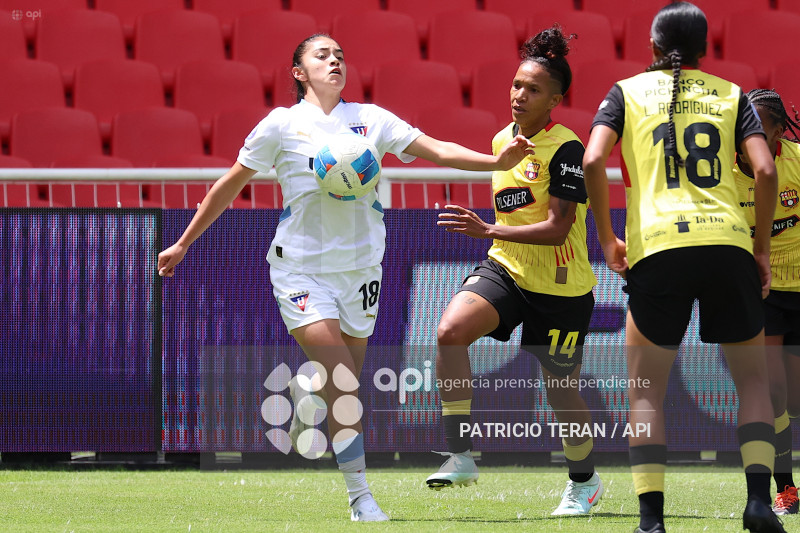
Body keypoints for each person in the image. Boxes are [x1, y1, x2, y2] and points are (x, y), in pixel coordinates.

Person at [156, 34, 534, 523]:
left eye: (340, 56)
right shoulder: (281, 125)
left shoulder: (372, 120)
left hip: (360, 271)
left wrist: (495, 162)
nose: (334, 61)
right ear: (298, 72)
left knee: (343, 379)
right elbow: (230, 184)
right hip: (301, 268)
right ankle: (361, 498)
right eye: (321, 55)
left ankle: (306, 389)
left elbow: (436, 149)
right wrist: (184, 241)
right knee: (343, 379)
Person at [582, 3, 783, 532]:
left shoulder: (624, 93)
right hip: (728, 246)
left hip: (659, 250)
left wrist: (607, 238)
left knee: (646, 390)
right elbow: (764, 170)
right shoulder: (732, 94)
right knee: (754, 385)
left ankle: (651, 522)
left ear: (652, 46)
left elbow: (592, 161)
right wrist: (760, 250)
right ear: (704, 49)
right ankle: (760, 503)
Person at [427, 26, 603, 517]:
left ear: (556, 99)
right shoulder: (502, 141)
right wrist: (493, 237)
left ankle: (584, 482)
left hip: (561, 288)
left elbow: (556, 228)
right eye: (516, 85)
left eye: (533, 89)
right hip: (507, 268)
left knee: (560, 390)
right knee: (449, 331)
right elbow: (512, 216)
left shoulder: (568, 149)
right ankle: (460, 454)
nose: (519, 95)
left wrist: (486, 231)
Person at [735, 88, 800, 517]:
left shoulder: (796, 160)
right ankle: (787, 488)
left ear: (779, 132)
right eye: (745, 127)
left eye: (761, 127)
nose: (750, 135)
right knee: (773, 391)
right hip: (764, 290)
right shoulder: (722, 172)